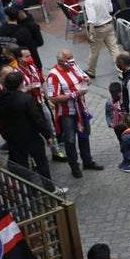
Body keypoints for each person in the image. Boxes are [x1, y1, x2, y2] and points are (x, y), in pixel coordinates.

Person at [46, 50, 103, 178]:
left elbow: (81, 75)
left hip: (81, 109)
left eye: (72, 56)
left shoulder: (72, 65)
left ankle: (87, 161)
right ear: (61, 61)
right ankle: (74, 166)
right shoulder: (53, 76)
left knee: (84, 135)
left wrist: (86, 79)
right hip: (67, 113)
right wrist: (74, 94)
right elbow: (53, 98)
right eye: (68, 58)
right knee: (70, 140)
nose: (72, 60)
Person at [83, 0, 123, 78]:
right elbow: (110, 9)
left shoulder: (89, 0)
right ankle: (122, 71)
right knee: (114, 49)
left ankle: (91, 71)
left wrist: (90, 34)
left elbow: (91, 19)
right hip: (109, 25)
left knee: (94, 51)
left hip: (98, 28)